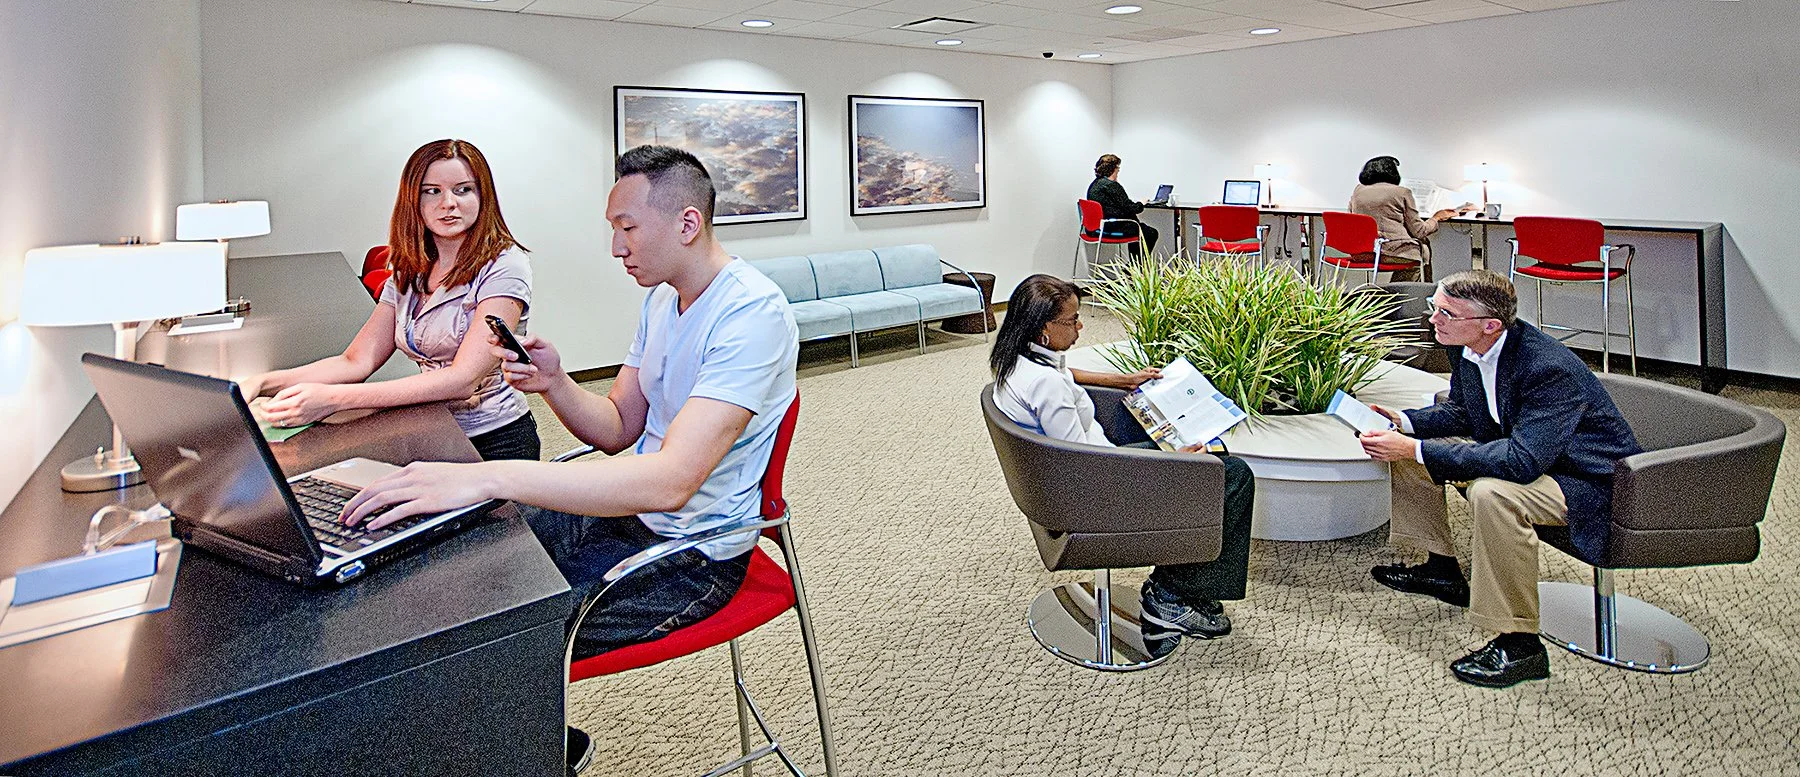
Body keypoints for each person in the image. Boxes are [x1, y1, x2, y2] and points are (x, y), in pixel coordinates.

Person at [338, 145, 798, 771]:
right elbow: (617, 430)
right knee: (459, 578)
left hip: (691, 555)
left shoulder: (752, 313)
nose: (616, 247)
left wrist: (487, 477)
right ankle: (538, 744)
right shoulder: (663, 300)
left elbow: (669, 483)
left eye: (627, 228)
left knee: (492, 640)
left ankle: (532, 749)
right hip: (625, 517)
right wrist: (555, 383)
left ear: (687, 225)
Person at [1358, 270, 1641, 688]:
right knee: (1407, 448)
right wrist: (1403, 422)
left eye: (1446, 313)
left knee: (1494, 494)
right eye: (1434, 307)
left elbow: (1522, 462)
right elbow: (1463, 413)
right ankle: (1441, 569)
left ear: (1491, 324)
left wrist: (1415, 448)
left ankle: (1520, 644)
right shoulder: (1467, 346)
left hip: (1585, 479)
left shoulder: (1548, 368)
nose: (1433, 318)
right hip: (1532, 455)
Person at [990, 274, 1255, 640]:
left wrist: (1123, 380)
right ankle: (1169, 597)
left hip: (1077, 479)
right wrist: (1173, 459)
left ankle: (1190, 587)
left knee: (1214, 461)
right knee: (1231, 475)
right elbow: (1082, 465)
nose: (1080, 327)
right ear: (1043, 329)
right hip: (1096, 492)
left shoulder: (1021, 360)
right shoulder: (1046, 385)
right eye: (1072, 321)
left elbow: (1068, 377)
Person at [252, 139, 540, 461]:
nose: (448, 203)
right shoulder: (411, 269)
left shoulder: (505, 266)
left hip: (493, 440)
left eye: (463, 190)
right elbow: (355, 361)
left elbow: (462, 380)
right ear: (412, 200)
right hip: (429, 426)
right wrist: (261, 383)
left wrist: (333, 399)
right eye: (431, 191)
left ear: (482, 196)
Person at [1347, 156, 1462, 283]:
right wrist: (1436, 218)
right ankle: (1408, 296)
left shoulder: (1357, 191)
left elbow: (1353, 220)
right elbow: (1419, 231)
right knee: (1417, 252)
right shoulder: (1402, 192)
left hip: (1362, 253)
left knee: (1409, 252)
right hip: (1389, 253)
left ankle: (1392, 296)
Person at [1086, 154, 1157, 256]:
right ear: (1113, 169)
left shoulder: (1095, 184)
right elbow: (1133, 208)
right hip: (1112, 226)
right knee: (1149, 233)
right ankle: (1136, 267)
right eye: (1118, 169)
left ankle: (1132, 267)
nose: (1118, 171)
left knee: (1139, 229)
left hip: (1097, 227)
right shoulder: (1112, 186)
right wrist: (1141, 203)